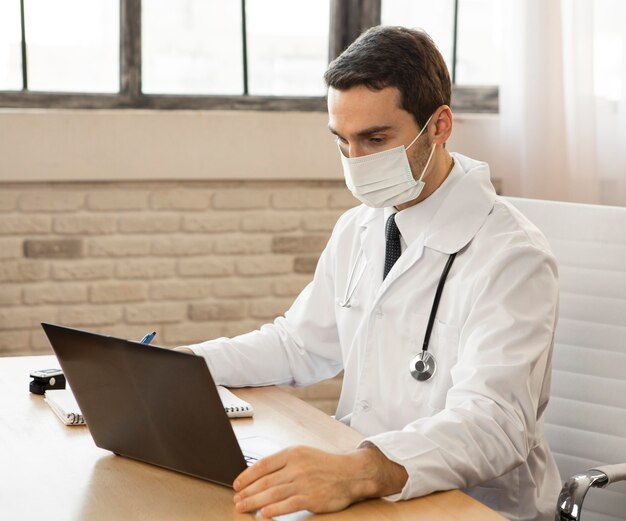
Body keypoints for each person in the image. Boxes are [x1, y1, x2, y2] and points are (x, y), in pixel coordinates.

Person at [178, 25, 561, 521]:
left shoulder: (512, 255)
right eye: (342, 142)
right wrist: (182, 367)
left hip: (472, 505)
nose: (356, 162)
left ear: (440, 125)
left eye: (375, 139)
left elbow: (495, 423)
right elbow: (298, 345)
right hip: (367, 487)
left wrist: (359, 471)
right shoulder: (361, 226)